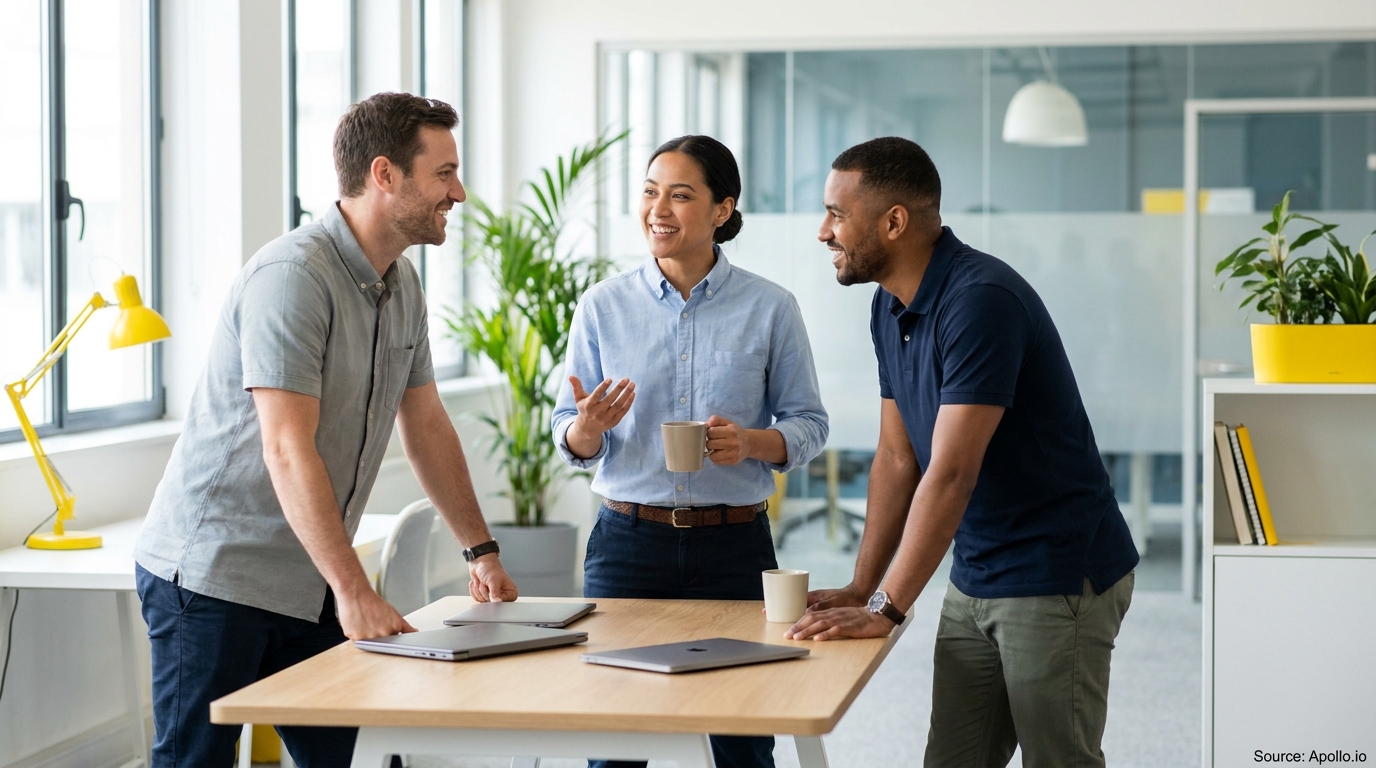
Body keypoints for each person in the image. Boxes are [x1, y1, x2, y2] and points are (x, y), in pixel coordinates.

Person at [133, 92, 518, 768]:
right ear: (384, 174)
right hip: (218, 576)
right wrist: (353, 591)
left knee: (357, 752)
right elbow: (286, 445)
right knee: (195, 760)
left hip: (309, 577)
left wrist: (478, 550)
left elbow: (424, 423)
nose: (457, 192)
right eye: (444, 173)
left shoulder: (401, 286)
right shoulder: (293, 277)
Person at [787, 137, 1138, 768]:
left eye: (837, 213)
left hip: (1053, 570)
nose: (822, 231)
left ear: (894, 222)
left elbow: (950, 473)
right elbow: (898, 457)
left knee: (1059, 760)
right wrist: (864, 586)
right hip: (976, 570)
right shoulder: (889, 304)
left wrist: (888, 609)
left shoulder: (980, 300)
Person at [551, 135, 828, 768]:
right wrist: (587, 429)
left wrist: (754, 443)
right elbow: (568, 429)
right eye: (650, 192)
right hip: (627, 545)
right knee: (614, 739)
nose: (659, 209)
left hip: (733, 548)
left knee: (741, 736)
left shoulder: (771, 307)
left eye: (680, 195)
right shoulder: (602, 306)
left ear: (722, 209)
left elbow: (809, 422)